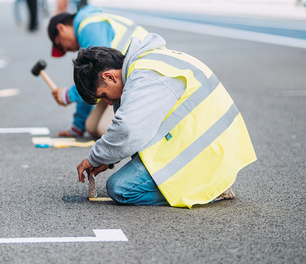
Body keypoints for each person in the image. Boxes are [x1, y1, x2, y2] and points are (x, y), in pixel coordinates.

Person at [73, 39, 256, 208]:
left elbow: (129, 129)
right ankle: (207, 181)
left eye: (103, 95)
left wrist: (95, 157)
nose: (109, 102)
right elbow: (138, 128)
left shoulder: (146, 75)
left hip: (207, 153)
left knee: (121, 188)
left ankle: (210, 188)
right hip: (210, 144)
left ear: (110, 77)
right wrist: (109, 159)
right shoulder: (149, 62)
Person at [47, 5, 148, 138]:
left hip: (141, 77)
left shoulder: (90, 27)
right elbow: (91, 85)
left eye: (60, 44)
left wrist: (69, 95)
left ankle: (149, 121)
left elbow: (97, 75)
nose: (66, 50)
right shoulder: (88, 24)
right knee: (92, 127)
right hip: (123, 78)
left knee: (104, 130)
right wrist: (78, 126)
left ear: (61, 28)